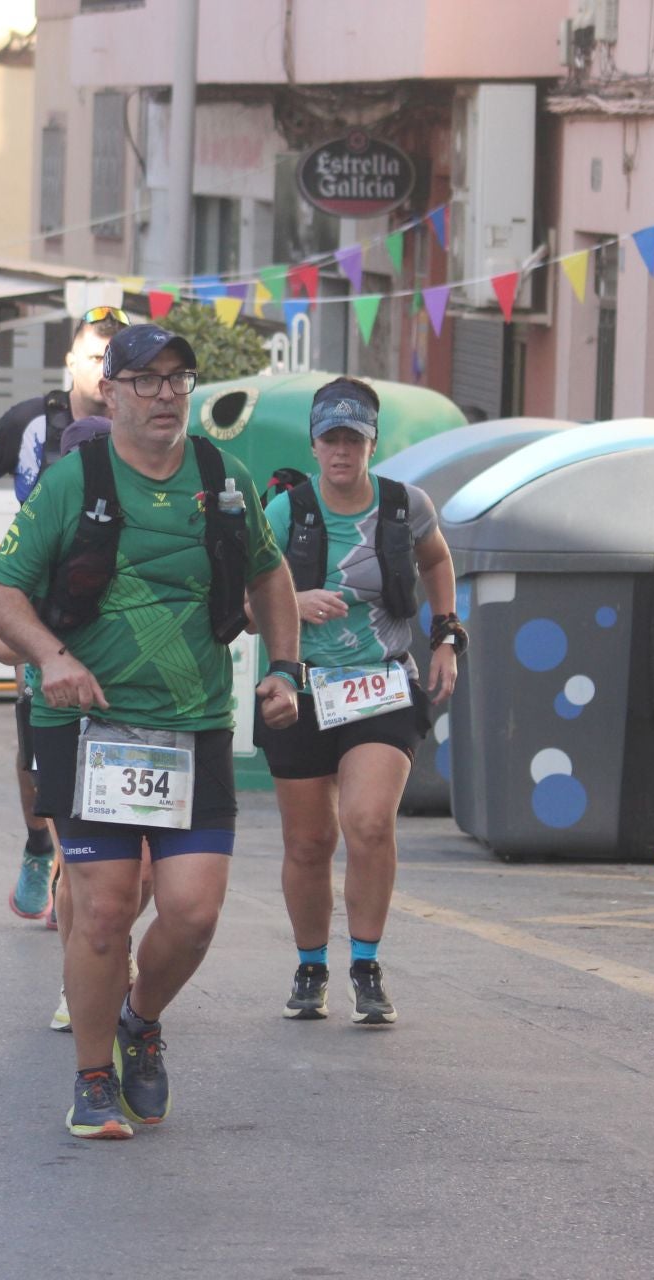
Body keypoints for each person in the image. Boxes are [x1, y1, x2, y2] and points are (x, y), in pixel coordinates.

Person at [0, 322, 302, 1139]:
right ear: (110, 392)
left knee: (192, 913)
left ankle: (139, 1020)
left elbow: (269, 571)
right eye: (144, 380)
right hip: (86, 727)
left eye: (176, 380)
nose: (162, 395)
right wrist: (51, 657)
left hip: (192, 724)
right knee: (107, 910)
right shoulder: (71, 481)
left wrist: (286, 668)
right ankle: (90, 1078)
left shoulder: (225, 478)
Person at [258, 377, 464, 1026]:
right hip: (304, 685)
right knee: (309, 842)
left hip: (383, 683)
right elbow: (244, 599)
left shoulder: (407, 507)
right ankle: (311, 964)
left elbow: (436, 562)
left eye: (354, 439)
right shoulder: (288, 511)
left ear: (371, 443)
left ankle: (367, 965)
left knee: (369, 822)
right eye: (331, 440)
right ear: (314, 445)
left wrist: (446, 635)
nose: (342, 451)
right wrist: (293, 602)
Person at [0, 306, 125, 924]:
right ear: (69, 363)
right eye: (90, 357)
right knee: (37, 735)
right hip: (37, 598)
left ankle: (73, 875)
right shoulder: (31, 423)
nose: (102, 373)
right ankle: (40, 846)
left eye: (113, 361)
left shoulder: (142, 425)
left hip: (113, 603)